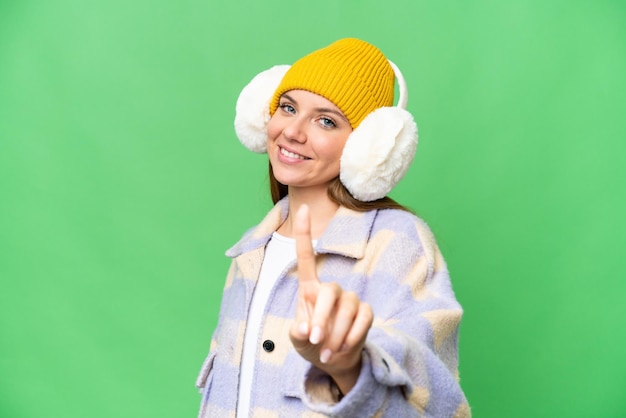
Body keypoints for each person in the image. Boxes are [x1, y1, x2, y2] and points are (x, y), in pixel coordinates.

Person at [196, 38, 470, 418]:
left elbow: (440, 409)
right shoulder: (249, 253)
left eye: (326, 120)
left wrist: (348, 369)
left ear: (366, 148)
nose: (293, 131)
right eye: (288, 107)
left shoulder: (398, 245)